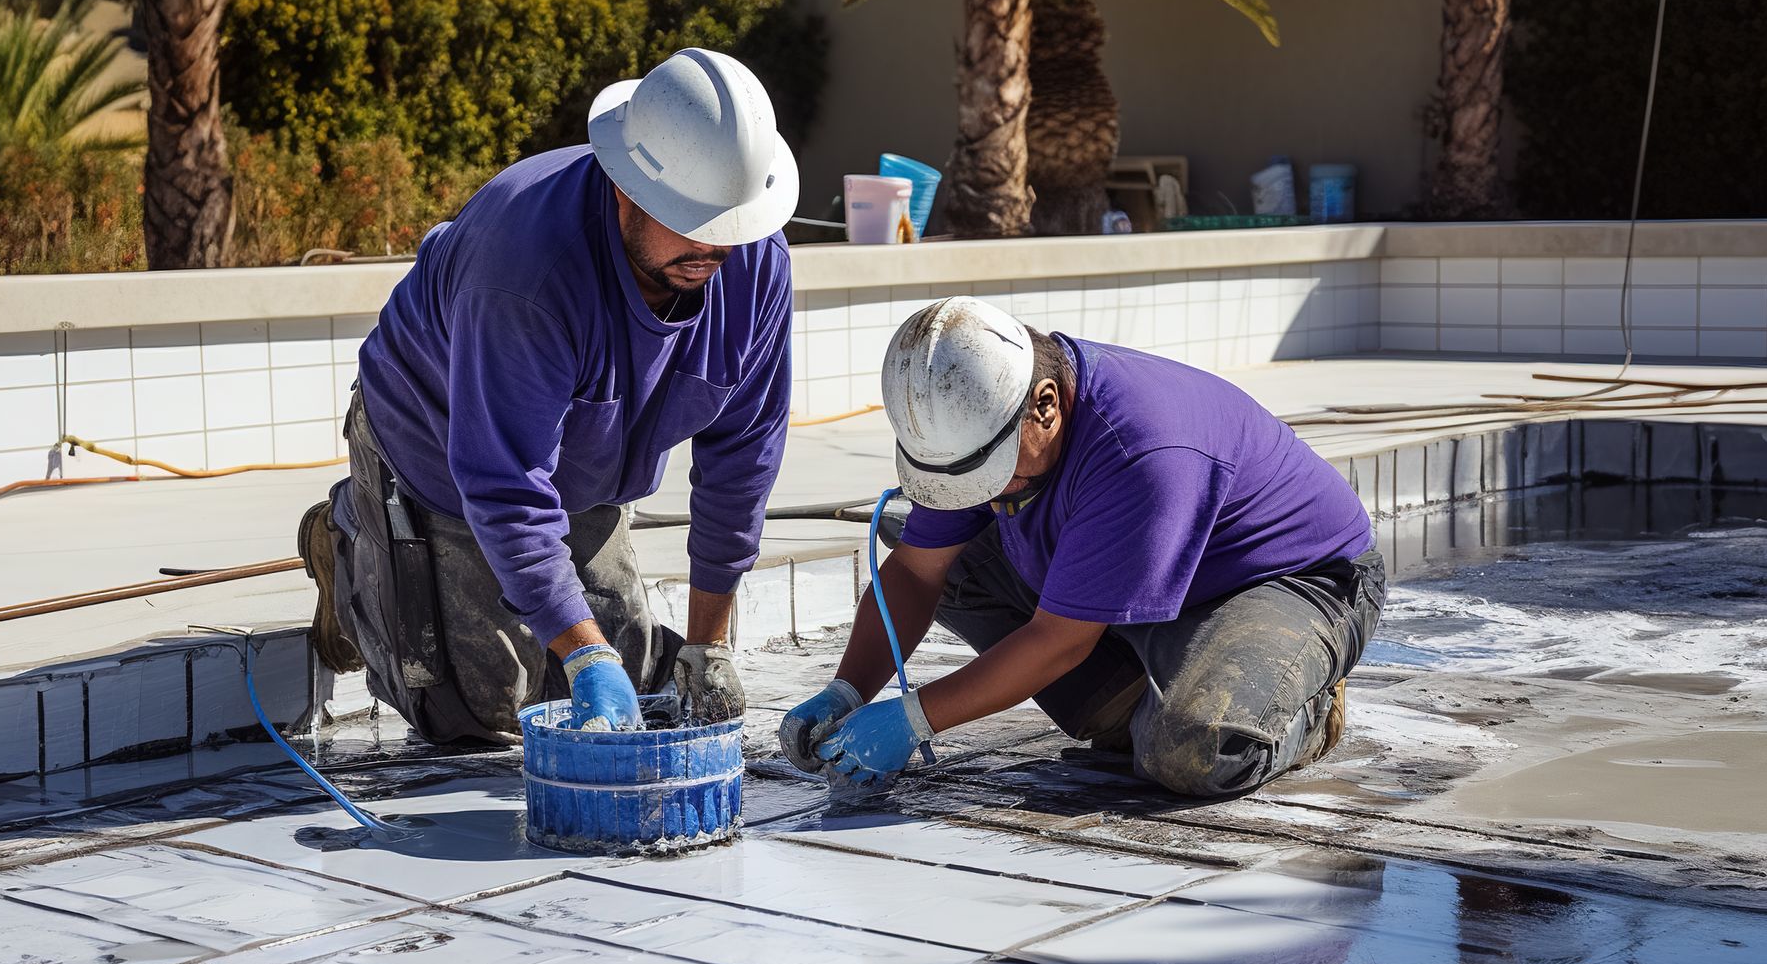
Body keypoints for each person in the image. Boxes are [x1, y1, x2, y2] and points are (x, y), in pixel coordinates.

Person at [299, 48, 797, 740]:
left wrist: (709, 648)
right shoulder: (526, 269)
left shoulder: (755, 263)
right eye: (691, 221)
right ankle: (350, 542)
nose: (715, 247)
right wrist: (585, 652)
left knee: (646, 685)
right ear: (625, 189)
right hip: (441, 446)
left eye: (729, 227)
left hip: (586, 465)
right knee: (482, 713)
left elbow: (744, 461)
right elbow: (503, 482)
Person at [778, 296, 1383, 797]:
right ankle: (1130, 703)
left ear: (1045, 406)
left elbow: (1059, 640)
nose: (985, 501)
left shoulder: (1141, 452)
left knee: (1195, 751)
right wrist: (848, 690)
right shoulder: (971, 424)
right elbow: (915, 573)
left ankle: (1299, 708)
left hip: (1287, 583)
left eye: (996, 480)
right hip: (1147, 576)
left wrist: (914, 720)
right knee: (948, 560)